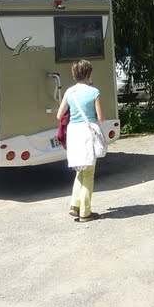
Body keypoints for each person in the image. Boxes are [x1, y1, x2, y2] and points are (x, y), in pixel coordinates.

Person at [56, 59, 105, 222]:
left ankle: (74, 205)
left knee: (80, 170)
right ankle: (85, 212)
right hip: (86, 133)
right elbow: (101, 117)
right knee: (89, 173)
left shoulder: (69, 92)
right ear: (89, 74)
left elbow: (59, 115)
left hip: (74, 133)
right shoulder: (94, 92)